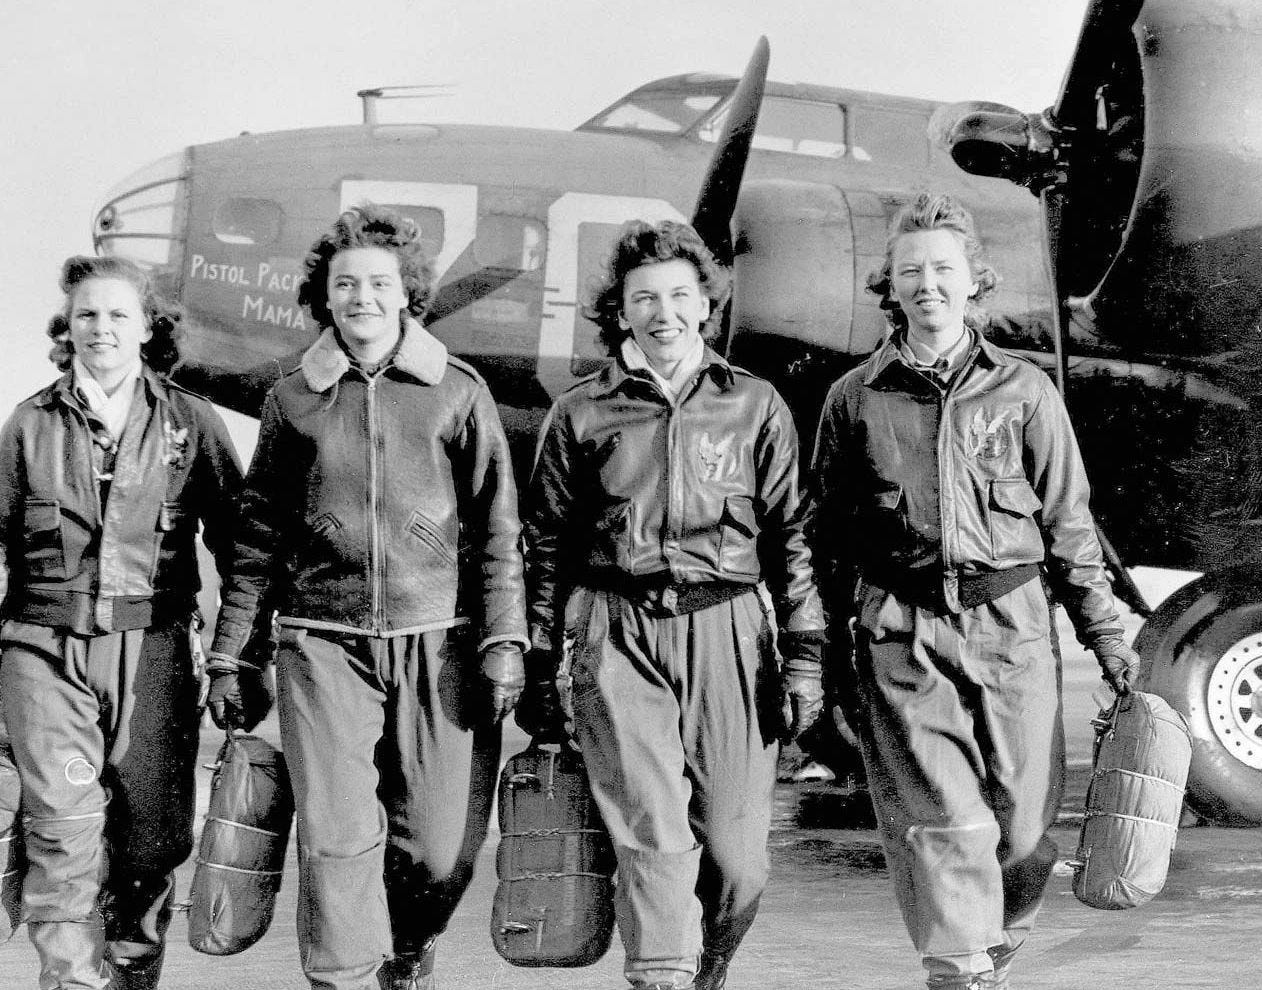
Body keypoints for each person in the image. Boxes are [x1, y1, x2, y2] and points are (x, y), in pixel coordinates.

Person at [808, 192, 1144, 990]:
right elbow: (825, 540)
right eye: (910, 271)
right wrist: (812, 655)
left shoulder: (1025, 393)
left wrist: (1107, 639)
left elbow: (1070, 526)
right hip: (901, 629)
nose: (927, 284)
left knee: (1026, 833)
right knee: (942, 818)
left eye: (943, 269)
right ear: (889, 286)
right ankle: (956, 964)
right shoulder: (855, 399)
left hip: (1013, 624)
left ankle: (995, 939)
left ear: (973, 282)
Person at [208, 204, 528, 990]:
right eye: (345, 283)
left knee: (441, 850)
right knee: (338, 837)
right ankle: (343, 976)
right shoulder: (292, 400)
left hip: (440, 640)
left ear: (408, 292)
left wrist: (505, 642)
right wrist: (229, 656)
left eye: (379, 283)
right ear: (325, 294)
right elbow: (255, 543)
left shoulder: (458, 392)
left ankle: (407, 950)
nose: (362, 298)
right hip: (321, 643)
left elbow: (497, 529)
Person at [520, 219, 827, 990]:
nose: (663, 312)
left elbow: (792, 537)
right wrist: (536, 662)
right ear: (620, 312)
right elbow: (546, 547)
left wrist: (805, 659)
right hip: (615, 629)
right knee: (652, 835)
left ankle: (706, 968)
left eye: (680, 295)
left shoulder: (755, 404)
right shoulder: (580, 414)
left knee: (736, 860)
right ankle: (661, 974)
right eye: (643, 297)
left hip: (728, 628)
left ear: (706, 305)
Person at [0, 255, 244, 990]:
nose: (100, 328)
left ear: (146, 328)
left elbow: (242, 550)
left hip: (157, 653)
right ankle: (71, 983)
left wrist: (239, 657)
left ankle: (132, 978)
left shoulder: (189, 422)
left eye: (116, 315)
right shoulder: (28, 425)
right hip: (44, 649)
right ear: (66, 329)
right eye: (86, 315)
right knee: (64, 834)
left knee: (151, 845)